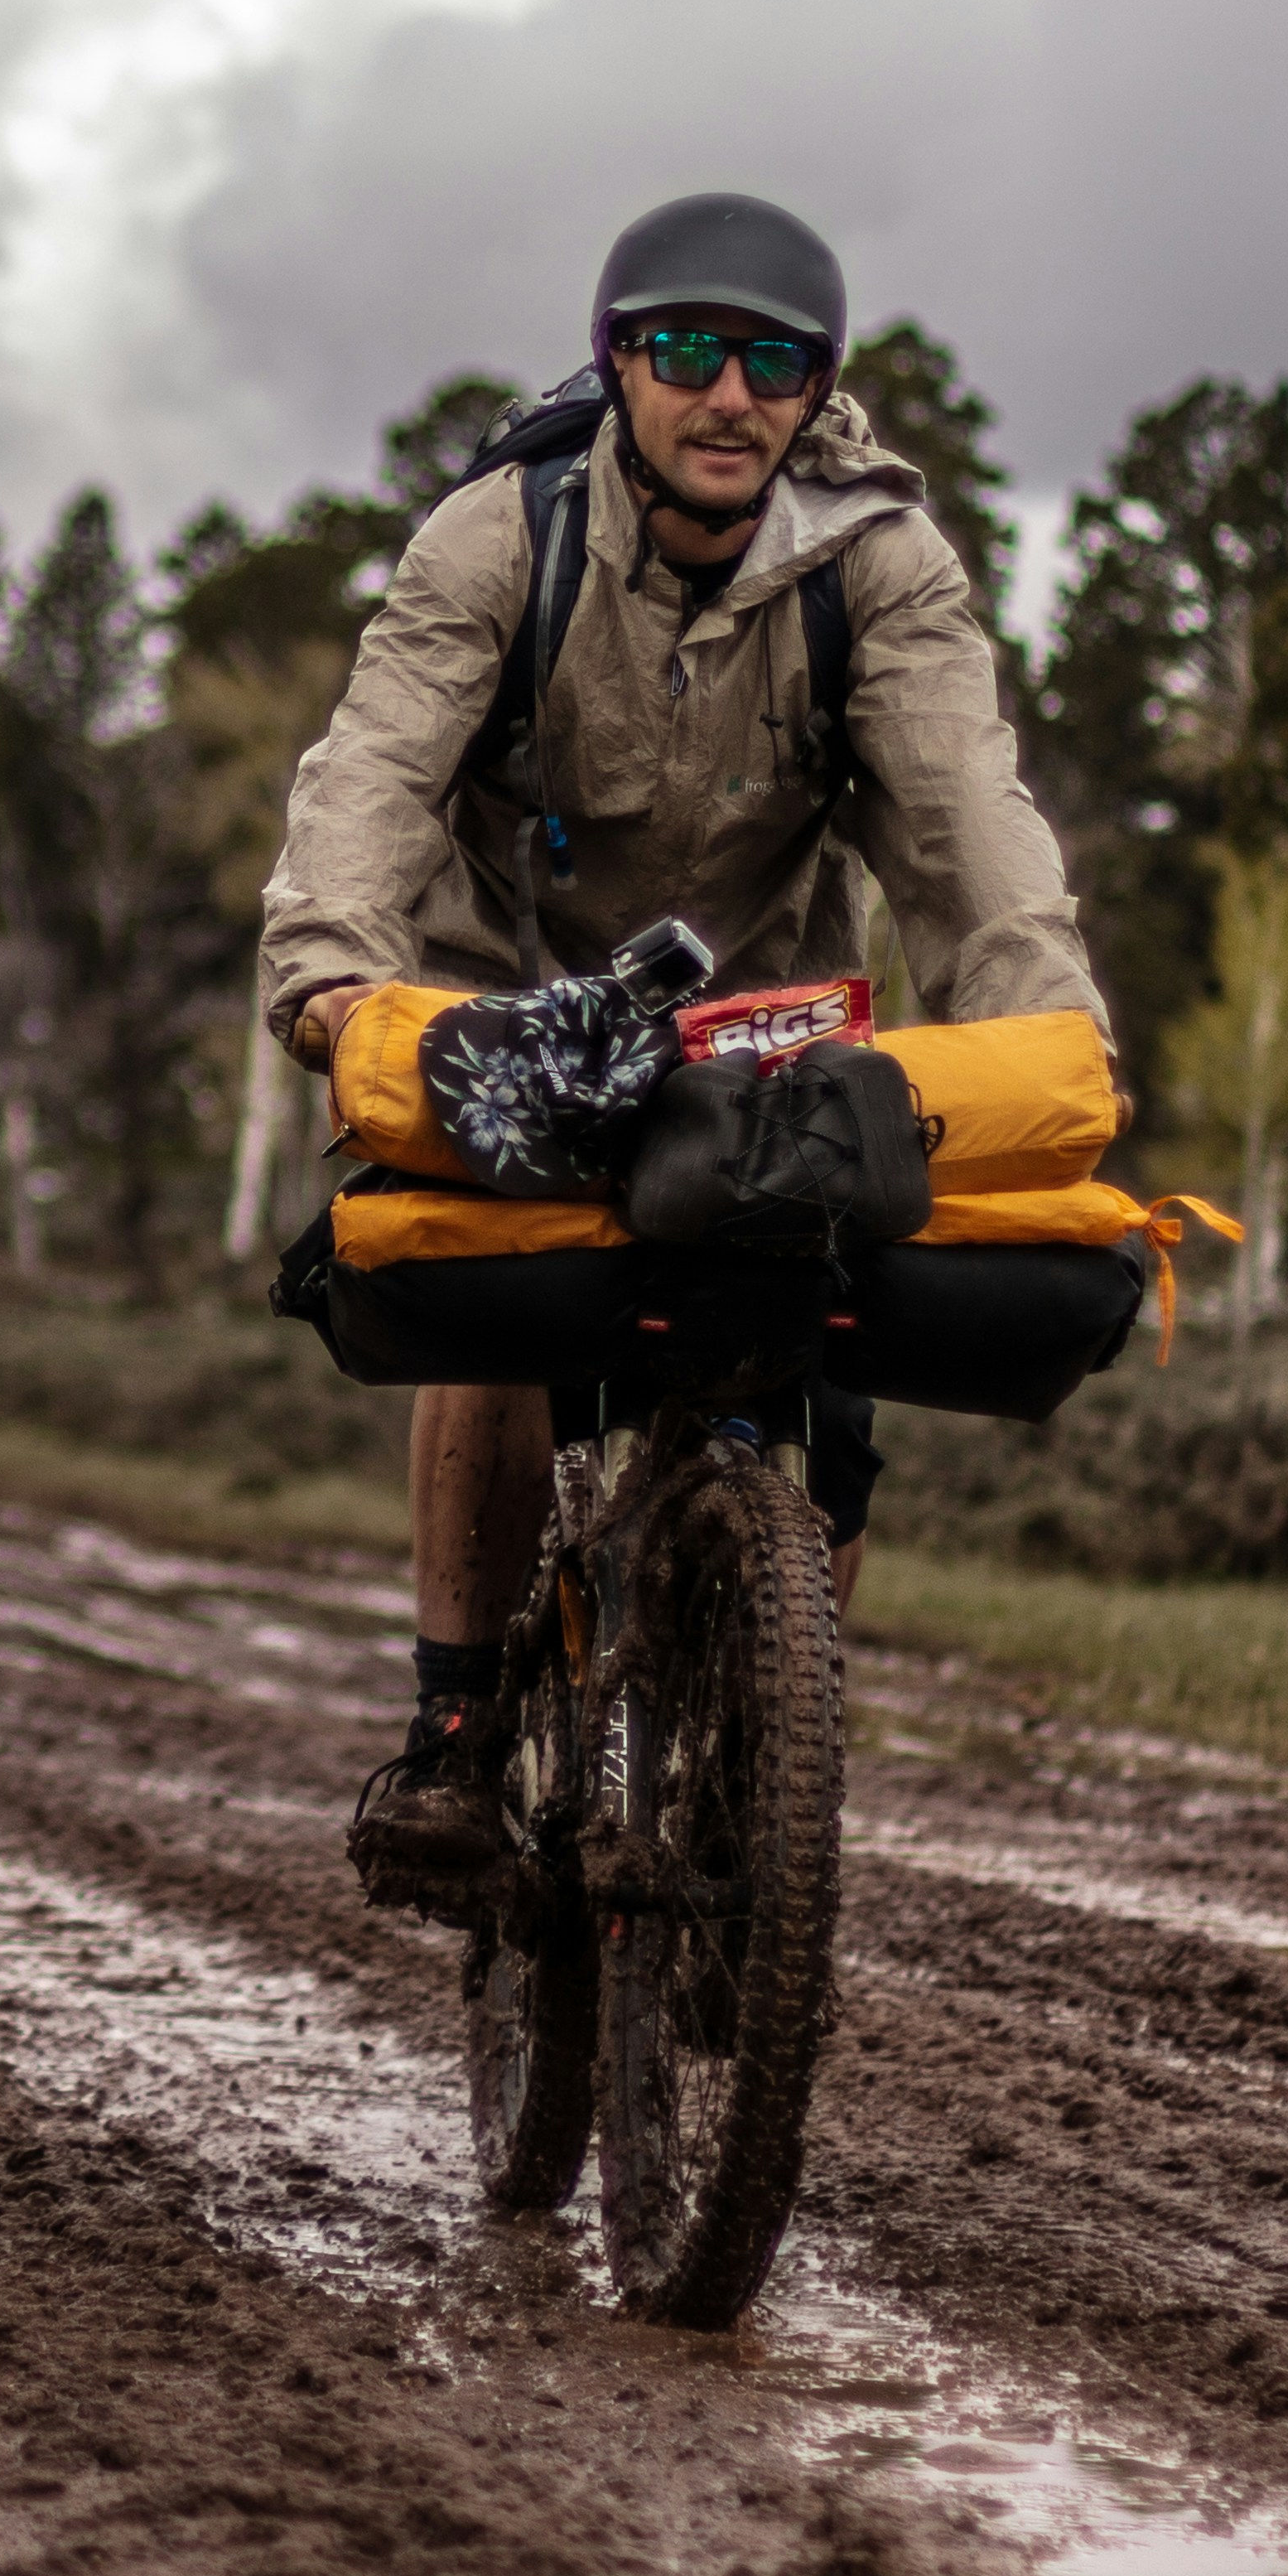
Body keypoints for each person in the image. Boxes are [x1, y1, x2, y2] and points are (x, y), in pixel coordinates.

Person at [249, 190, 1105, 1909]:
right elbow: (373, 776)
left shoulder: (882, 562)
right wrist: (336, 988)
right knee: (490, 1302)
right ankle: (456, 1732)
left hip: (768, 1011)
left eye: (773, 360)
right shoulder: (501, 537)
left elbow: (964, 818)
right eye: (687, 350)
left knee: (831, 1376)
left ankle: (753, 1767)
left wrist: (1054, 1041)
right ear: (618, 363)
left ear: (816, 390)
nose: (729, 392)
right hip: (521, 985)